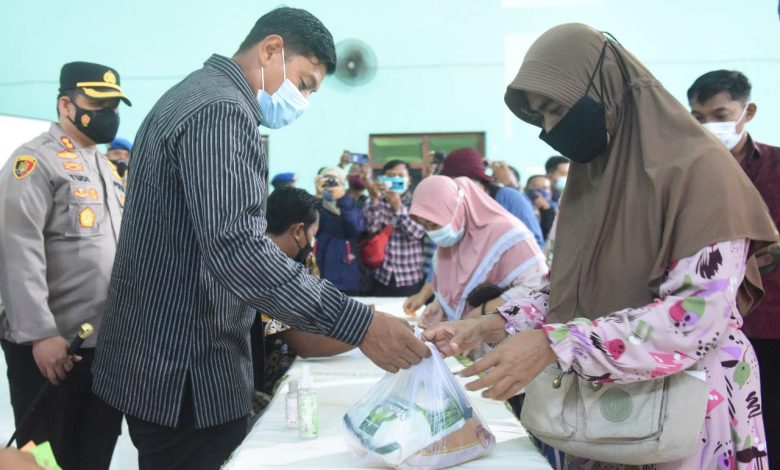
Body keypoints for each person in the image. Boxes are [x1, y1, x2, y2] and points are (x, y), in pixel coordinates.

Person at [424, 24, 778, 469]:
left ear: (605, 88)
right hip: (605, 412)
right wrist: (491, 324)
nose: (550, 129)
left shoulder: (701, 172)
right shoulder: (595, 178)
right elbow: (571, 290)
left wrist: (554, 345)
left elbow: (694, 318)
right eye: (540, 116)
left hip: (688, 413)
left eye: (554, 108)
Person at [90, 8, 428, 469]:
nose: (302, 100)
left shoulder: (194, 95)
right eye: (304, 83)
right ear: (272, 50)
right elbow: (239, 249)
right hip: (187, 370)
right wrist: (360, 324)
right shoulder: (222, 110)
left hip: (164, 360)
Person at [0, 61, 129, 470]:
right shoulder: (35, 162)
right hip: (52, 349)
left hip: (101, 349)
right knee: (46, 459)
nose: (107, 111)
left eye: (113, 104)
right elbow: (17, 250)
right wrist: (41, 335)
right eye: (97, 102)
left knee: (94, 454)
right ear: (66, 105)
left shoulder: (107, 168)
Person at [688, 69, 780, 464]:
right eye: (698, 117)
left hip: (772, 322)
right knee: (722, 434)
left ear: (748, 111)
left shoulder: (776, 167)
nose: (710, 125)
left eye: (720, 114)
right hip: (709, 331)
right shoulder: (688, 174)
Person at [252, 187, 354, 400]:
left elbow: (317, 307)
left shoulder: (276, 258)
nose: (312, 244)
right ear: (298, 230)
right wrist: (367, 332)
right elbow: (305, 342)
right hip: (257, 384)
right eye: (313, 236)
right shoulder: (268, 271)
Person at [410, 176, 548, 328]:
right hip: (467, 343)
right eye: (425, 226)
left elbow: (538, 289)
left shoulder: (508, 235)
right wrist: (440, 307)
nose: (432, 232)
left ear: (458, 209)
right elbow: (454, 289)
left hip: (504, 339)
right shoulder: (450, 244)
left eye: (434, 224)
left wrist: (484, 310)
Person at [440, 147, 545, 249]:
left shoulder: (507, 197)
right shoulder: (456, 204)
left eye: (457, 184)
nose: (455, 190)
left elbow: (535, 242)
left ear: (474, 181)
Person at [364, 160, 426, 297]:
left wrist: (398, 207)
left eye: (400, 175)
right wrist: (374, 200)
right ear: (383, 179)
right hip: (381, 275)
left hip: (410, 276)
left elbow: (416, 234)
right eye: (391, 176)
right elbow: (371, 229)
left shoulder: (418, 201)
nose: (396, 179)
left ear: (409, 180)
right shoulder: (375, 200)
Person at [315, 166, 367, 295]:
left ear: (343, 184)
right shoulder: (315, 204)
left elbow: (356, 228)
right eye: (326, 179)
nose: (330, 183)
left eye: (334, 180)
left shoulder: (350, 204)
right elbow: (308, 227)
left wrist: (343, 198)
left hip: (346, 274)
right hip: (319, 274)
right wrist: (317, 197)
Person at [525, 174, 557, 240]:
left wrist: (547, 209)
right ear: (526, 190)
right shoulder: (522, 208)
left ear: (550, 194)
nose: (540, 190)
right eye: (535, 187)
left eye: (545, 188)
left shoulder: (556, 209)